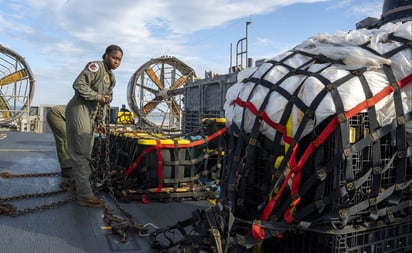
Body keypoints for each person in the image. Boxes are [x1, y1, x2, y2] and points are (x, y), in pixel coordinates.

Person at [66, 45, 123, 208]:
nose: (116, 61)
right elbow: (78, 85)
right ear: (105, 56)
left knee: (86, 152)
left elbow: (104, 103)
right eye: (114, 57)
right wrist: (98, 97)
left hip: (90, 115)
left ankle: (77, 186)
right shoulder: (96, 67)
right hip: (80, 110)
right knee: (81, 155)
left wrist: (100, 122)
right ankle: (84, 196)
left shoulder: (111, 78)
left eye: (119, 59)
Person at [46, 105, 72, 178]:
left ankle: (70, 165)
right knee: (65, 138)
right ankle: (66, 168)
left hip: (63, 115)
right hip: (56, 115)